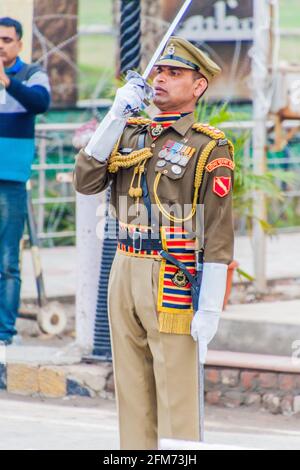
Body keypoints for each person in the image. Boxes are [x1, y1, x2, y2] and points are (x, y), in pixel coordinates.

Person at [74, 37, 234, 450]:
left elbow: (217, 233)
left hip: (171, 274)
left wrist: (211, 307)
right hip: (124, 265)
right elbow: (86, 180)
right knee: (132, 392)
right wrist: (114, 115)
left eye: (175, 73)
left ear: (198, 87)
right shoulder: (129, 132)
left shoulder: (207, 145)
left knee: (177, 394)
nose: (161, 78)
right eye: (159, 71)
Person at [0, 17, 51, 346]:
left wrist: (7, 82)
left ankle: (4, 333)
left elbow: (41, 103)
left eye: (6, 40)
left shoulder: (32, 74)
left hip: (11, 181)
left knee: (6, 261)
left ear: (19, 44)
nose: (0, 45)